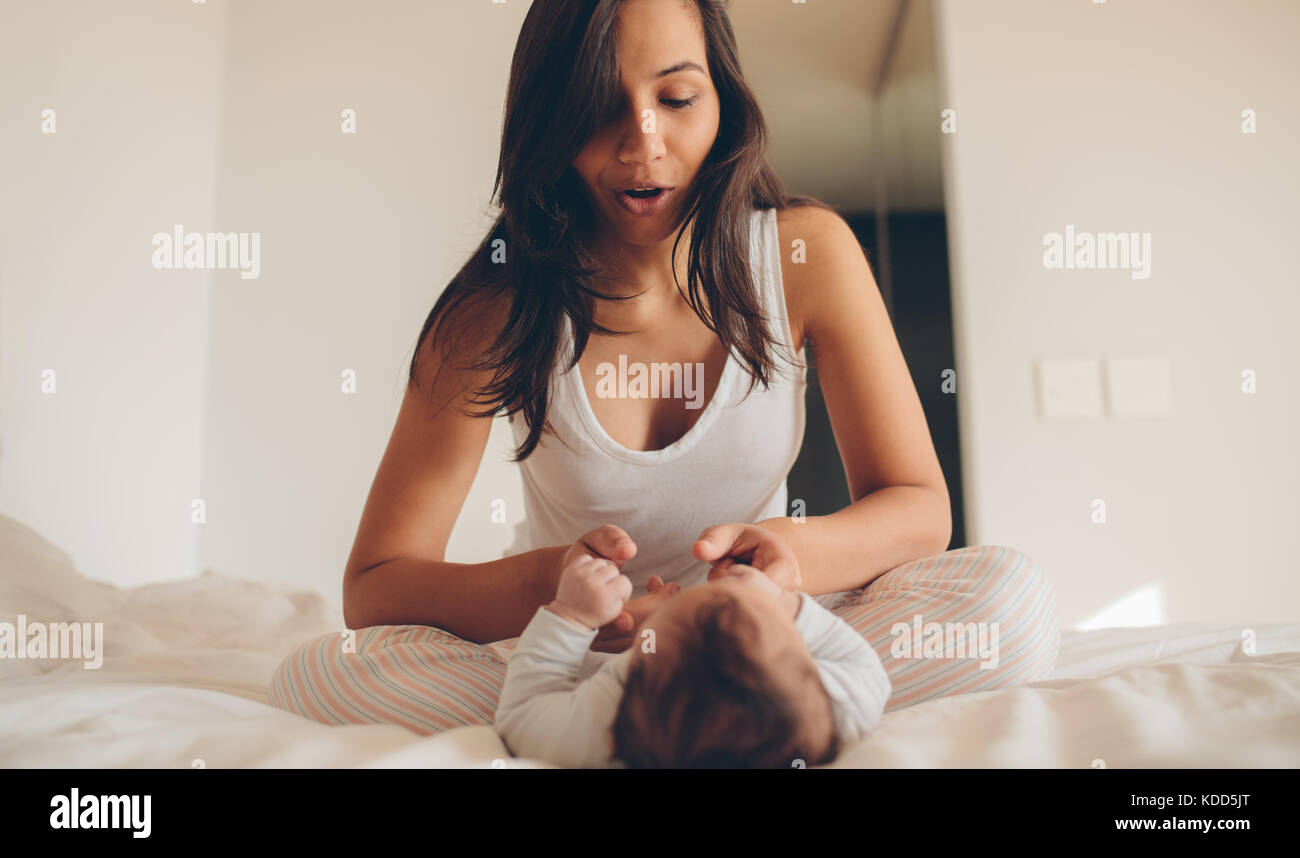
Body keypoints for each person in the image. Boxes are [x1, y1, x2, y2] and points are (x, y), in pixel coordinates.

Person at [269, 0, 1059, 746]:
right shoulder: (495, 309)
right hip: (585, 656)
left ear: (723, 100)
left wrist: (786, 562)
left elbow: (918, 509)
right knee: (325, 673)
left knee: (1012, 605)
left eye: (677, 98)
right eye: (597, 107)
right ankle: (676, 718)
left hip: (765, 642)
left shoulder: (805, 254)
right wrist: (555, 591)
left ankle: (646, 724)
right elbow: (375, 586)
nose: (643, 142)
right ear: (549, 118)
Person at [494, 554, 892, 769]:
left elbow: (524, 711)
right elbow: (864, 668)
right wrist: (784, 602)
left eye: (676, 605)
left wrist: (571, 616)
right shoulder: (827, 709)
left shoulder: (608, 722)